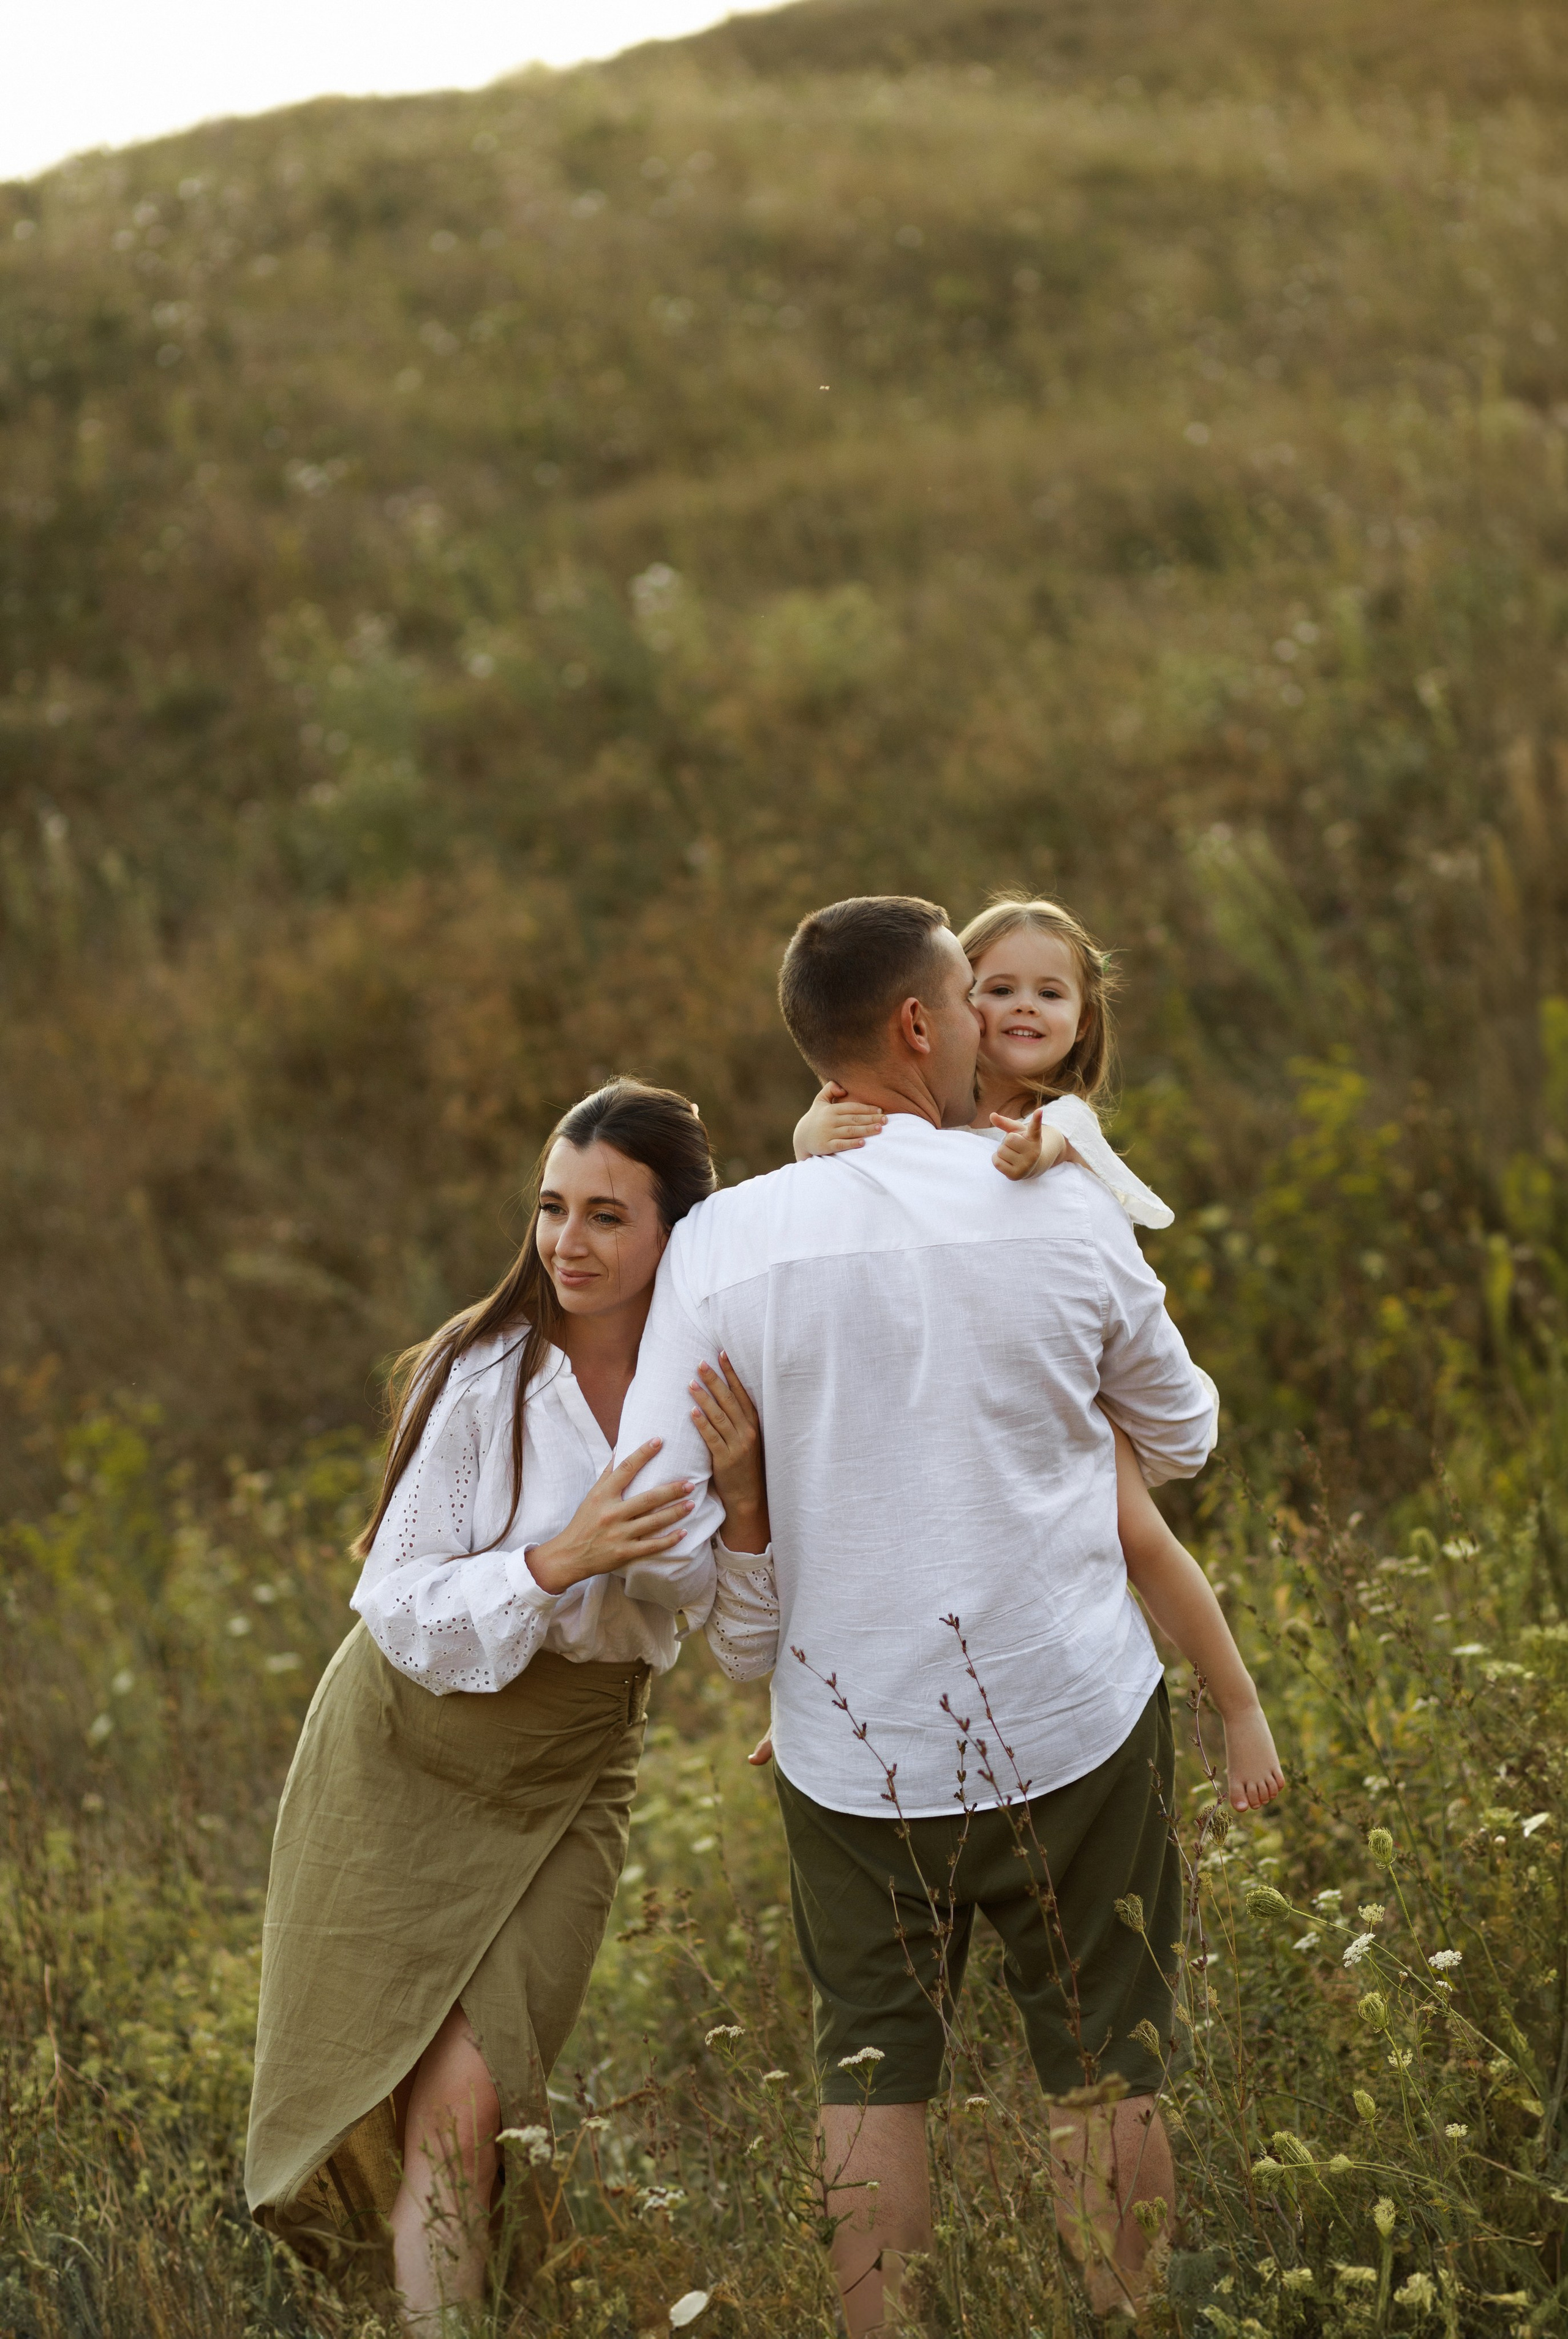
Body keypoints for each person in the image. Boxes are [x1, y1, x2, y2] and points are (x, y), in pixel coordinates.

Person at [614, 895, 1222, 2333]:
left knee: (870, 2072)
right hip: (1068, 1710)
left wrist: (757, 1541)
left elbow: (653, 1498)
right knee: (1103, 2059)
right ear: (914, 1026)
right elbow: (1182, 1433)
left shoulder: (723, 1243)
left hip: (847, 1740)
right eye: (965, 998)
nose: (983, 1027)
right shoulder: (1055, 1199)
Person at [244, 1080, 769, 2334]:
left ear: (673, 1235)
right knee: (391, 2091)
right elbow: (398, 1600)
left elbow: (748, 1637)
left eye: (604, 1215)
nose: (566, 1242)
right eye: (550, 1206)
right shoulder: (482, 1375)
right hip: (399, 1750)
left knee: (473, 2097)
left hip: (572, 1768)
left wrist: (744, 1484)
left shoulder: (716, 1391)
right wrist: (560, 1557)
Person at [793, 894, 1283, 1814]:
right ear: (942, 1008)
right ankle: (819, 1706)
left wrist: (1044, 1149)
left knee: (1136, 1533)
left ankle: (1238, 1701)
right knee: (884, 1532)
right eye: (997, 987)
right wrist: (807, 1134)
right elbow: (834, 1156)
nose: (1024, 1007)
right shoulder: (922, 1113)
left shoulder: (1061, 1123)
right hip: (951, 1379)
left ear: (1082, 1020)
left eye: (1050, 994)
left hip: (1063, 1387)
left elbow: (1090, 1164)